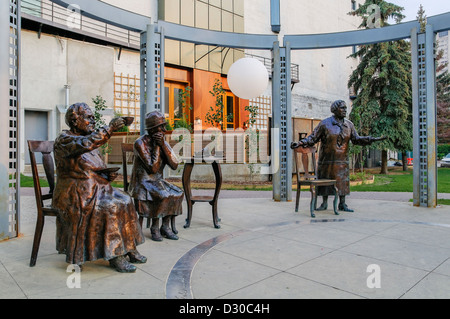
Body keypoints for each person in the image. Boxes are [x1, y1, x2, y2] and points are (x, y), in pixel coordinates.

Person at [53, 103, 146, 273]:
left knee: (126, 199)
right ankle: (115, 255)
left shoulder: (87, 140)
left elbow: (92, 167)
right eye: (89, 118)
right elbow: (87, 143)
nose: (93, 122)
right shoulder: (65, 140)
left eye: (93, 118)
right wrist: (110, 128)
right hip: (74, 193)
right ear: (75, 121)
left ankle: (129, 248)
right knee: (111, 206)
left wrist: (104, 176)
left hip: (95, 188)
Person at [291, 100, 386, 212]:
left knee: (342, 182)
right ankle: (324, 203)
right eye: (342, 108)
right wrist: (300, 143)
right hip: (327, 161)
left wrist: (371, 139)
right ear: (335, 109)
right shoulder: (325, 124)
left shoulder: (349, 125)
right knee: (325, 181)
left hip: (342, 160)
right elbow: (313, 138)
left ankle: (342, 204)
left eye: (346, 108)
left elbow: (356, 139)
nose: (345, 110)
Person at [129, 111, 184, 241]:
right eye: (162, 126)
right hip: (143, 183)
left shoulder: (162, 141)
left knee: (178, 192)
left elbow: (174, 165)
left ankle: (165, 226)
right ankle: (155, 227)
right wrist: (158, 147)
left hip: (157, 182)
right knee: (163, 195)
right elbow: (152, 168)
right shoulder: (140, 143)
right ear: (153, 129)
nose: (165, 129)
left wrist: (163, 145)